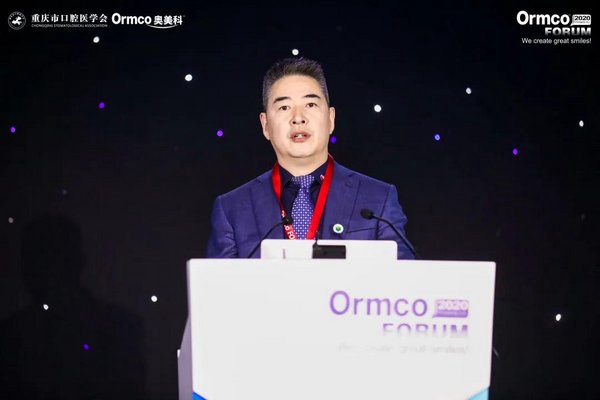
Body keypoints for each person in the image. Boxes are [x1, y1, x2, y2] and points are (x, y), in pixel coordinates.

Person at [206, 57, 415, 259]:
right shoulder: (231, 209)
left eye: (311, 105)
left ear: (331, 119)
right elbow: (217, 282)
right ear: (266, 125)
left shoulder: (378, 199)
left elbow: (404, 278)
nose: (298, 118)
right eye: (284, 107)